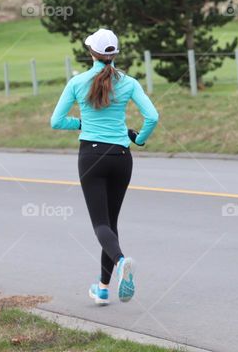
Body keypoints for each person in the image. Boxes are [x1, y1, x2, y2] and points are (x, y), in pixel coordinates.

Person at [50, 28, 158, 306]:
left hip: (91, 156)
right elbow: (152, 117)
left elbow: (56, 121)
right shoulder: (129, 83)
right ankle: (102, 288)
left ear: (91, 53)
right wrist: (140, 140)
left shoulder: (78, 82)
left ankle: (121, 262)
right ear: (115, 54)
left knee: (100, 224)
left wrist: (82, 123)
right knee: (110, 224)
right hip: (122, 157)